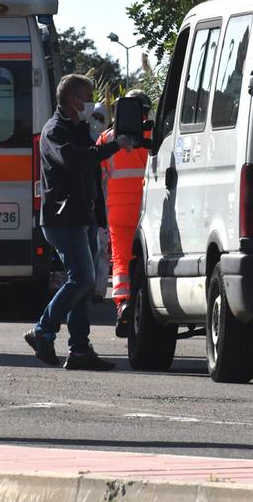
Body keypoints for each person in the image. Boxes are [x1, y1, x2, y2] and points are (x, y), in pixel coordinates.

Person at [23, 74, 138, 371]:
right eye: (87, 97)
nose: (91, 103)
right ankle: (42, 331)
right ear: (74, 100)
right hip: (63, 219)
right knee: (83, 278)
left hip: (81, 216)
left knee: (84, 287)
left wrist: (97, 216)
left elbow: (91, 171)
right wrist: (114, 146)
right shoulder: (55, 131)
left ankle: (79, 349)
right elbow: (76, 160)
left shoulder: (78, 128)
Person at [96, 90, 153, 337]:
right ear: (145, 112)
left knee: (120, 260)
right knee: (147, 257)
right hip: (148, 208)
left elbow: (97, 173)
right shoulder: (153, 134)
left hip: (117, 211)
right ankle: (145, 304)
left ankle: (123, 305)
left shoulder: (107, 137)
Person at [89, 103, 111, 303]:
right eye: (94, 117)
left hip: (106, 201)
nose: (96, 122)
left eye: (100, 118)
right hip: (93, 201)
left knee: (102, 248)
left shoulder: (106, 142)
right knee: (92, 246)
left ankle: (98, 289)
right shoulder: (85, 141)